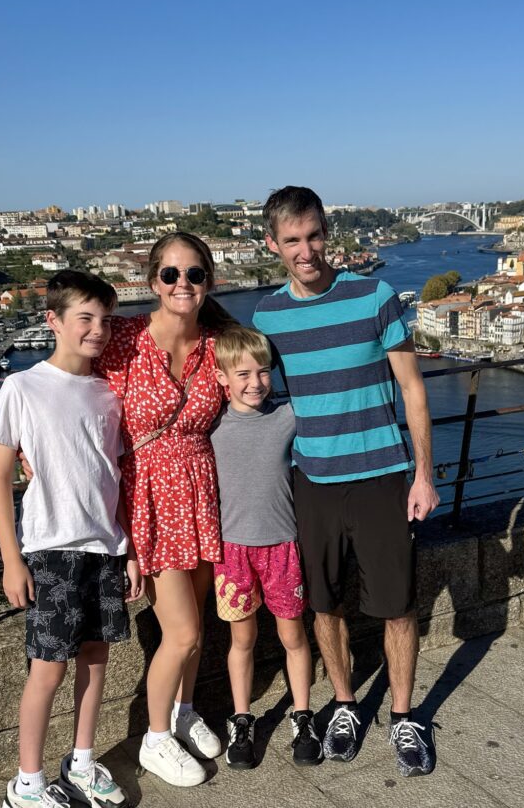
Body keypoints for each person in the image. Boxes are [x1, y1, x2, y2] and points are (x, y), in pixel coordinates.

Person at [253, 186, 439, 778]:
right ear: (272, 244)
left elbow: (412, 387)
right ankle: (345, 703)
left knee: (398, 605)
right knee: (324, 603)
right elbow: (248, 391)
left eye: (313, 236)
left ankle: (406, 715)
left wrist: (424, 475)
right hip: (313, 479)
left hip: (383, 474)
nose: (305, 250)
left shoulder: (376, 295)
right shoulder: (267, 316)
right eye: (292, 241)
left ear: (326, 233)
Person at [0, 270, 144, 808]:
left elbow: (112, 476)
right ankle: (26, 782)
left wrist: (126, 549)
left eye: (105, 319)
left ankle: (81, 759)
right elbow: (0, 478)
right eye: (85, 318)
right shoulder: (23, 386)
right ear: (53, 321)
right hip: (51, 547)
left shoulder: (109, 392)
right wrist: (12, 560)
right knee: (48, 667)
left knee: (96, 658)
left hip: (103, 545)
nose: (97, 330)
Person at [96, 232, 231, 787]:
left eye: (194, 274)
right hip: (148, 498)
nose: (183, 284)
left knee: (195, 624)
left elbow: (254, 391)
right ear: (153, 281)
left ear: (208, 282)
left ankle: (183, 710)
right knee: (181, 633)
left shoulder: (218, 344)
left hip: (201, 492)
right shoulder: (124, 340)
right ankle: (154, 739)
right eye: (171, 274)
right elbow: (68, 384)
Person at [210, 325, 322, 770]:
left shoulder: (287, 417)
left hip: (282, 546)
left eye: (263, 372)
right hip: (232, 551)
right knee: (243, 639)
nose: (255, 382)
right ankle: (242, 718)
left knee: (294, 636)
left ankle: (302, 714)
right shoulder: (212, 427)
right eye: (242, 374)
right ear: (222, 378)